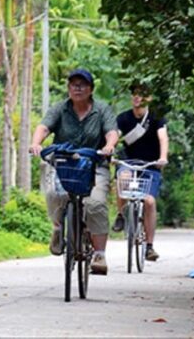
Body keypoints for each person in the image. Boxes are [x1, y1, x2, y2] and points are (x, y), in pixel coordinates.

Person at [30, 68, 118, 275]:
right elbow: (44, 127)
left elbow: (112, 132)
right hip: (64, 164)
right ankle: (58, 227)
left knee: (95, 203)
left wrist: (109, 146)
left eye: (83, 85)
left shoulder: (102, 109)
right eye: (73, 84)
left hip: (94, 164)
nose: (78, 88)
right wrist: (36, 143)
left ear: (91, 89)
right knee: (53, 193)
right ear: (69, 88)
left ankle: (99, 254)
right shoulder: (60, 108)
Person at [112, 83, 169, 261]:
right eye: (134, 94)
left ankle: (149, 246)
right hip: (128, 162)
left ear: (149, 99)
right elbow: (115, 135)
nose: (137, 98)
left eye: (142, 95)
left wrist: (162, 157)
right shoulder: (123, 118)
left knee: (149, 201)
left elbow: (163, 137)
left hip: (151, 165)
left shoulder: (156, 118)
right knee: (123, 178)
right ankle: (121, 214)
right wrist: (110, 150)